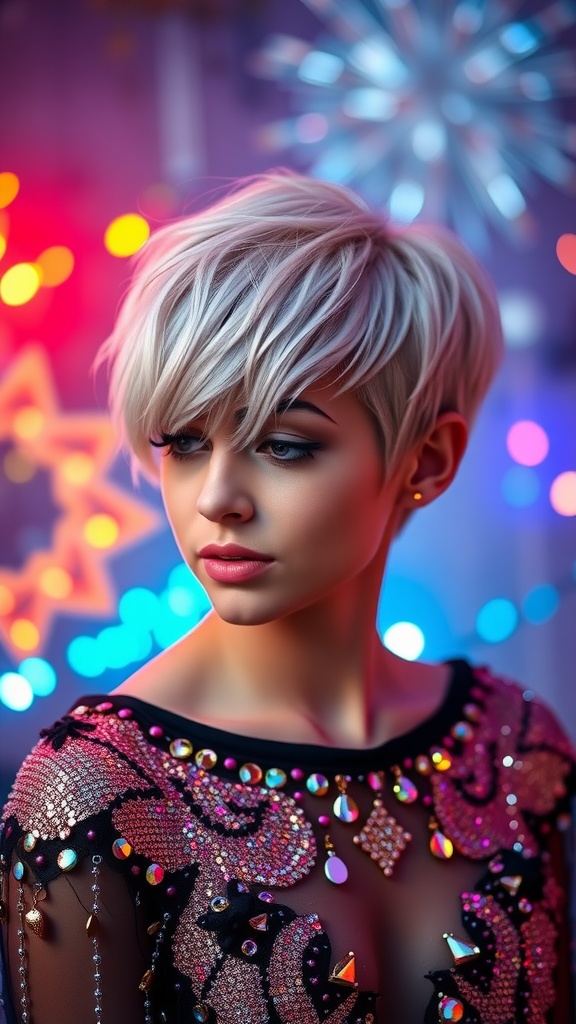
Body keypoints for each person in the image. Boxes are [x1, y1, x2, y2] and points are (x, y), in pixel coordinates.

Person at [1, 172, 574, 1024]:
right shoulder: (91, 793)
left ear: (426, 462)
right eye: (184, 442)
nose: (215, 496)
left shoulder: (517, 746)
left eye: (283, 444)